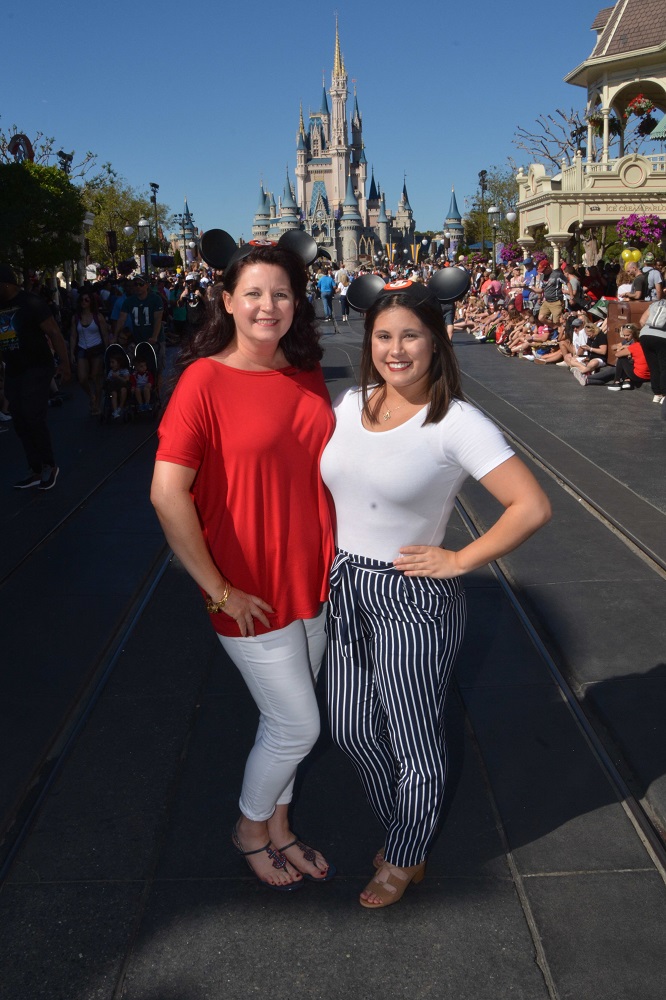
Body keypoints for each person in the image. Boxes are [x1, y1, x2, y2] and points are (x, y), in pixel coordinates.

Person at [320, 279, 551, 909]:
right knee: (350, 731)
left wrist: (459, 559)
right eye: (383, 336)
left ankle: (405, 853)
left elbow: (530, 505)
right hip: (346, 587)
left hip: (410, 596)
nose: (395, 350)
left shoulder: (455, 422)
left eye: (410, 337)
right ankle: (407, 830)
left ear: (436, 341)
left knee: (413, 740)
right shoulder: (351, 402)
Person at [150, 243, 336, 892]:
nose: (268, 306)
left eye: (281, 294)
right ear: (227, 301)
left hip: (310, 578)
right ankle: (250, 829)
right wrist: (218, 590)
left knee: (283, 720)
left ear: (296, 303)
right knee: (298, 724)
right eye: (253, 293)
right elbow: (167, 494)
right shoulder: (203, 381)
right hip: (247, 588)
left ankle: (280, 825)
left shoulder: (306, 372)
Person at [0, 263, 71, 490]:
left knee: (32, 414)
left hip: (37, 367)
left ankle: (49, 465)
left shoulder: (31, 302)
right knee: (19, 418)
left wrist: (65, 364)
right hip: (14, 369)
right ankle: (35, 469)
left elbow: (54, 332)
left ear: (6, 284)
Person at [70, 288, 109, 415]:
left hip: (97, 347)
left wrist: (107, 350)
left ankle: (97, 404)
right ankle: (91, 395)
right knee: (82, 378)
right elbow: (73, 336)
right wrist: (71, 352)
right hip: (82, 348)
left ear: (91, 301)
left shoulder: (98, 317)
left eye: (87, 300)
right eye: (82, 300)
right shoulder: (76, 318)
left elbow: (105, 334)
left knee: (95, 376)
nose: (84, 302)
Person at [607, 323, 650, 391]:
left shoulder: (635, 346)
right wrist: (621, 347)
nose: (625, 337)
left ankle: (617, 382)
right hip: (649, 376)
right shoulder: (647, 346)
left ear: (633, 335)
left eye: (627, 335)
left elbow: (617, 354)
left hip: (639, 375)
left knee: (622, 359)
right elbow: (613, 347)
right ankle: (627, 380)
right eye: (624, 335)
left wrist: (625, 348)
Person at [639, 299, 666, 404]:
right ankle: (665, 394)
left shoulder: (655, 304)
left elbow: (642, 321)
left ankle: (657, 394)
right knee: (664, 367)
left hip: (645, 335)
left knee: (653, 367)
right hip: (663, 338)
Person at [105, 353, 130, 418]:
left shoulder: (124, 371)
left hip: (122, 386)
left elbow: (127, 381)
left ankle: (120, 408)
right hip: (114, 388)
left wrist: (118, 377)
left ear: (119, 363)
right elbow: (108, 381)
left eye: (113, 362)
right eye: (110, 362)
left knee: (123, 390)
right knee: (113, 393)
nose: (111, 365)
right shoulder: (111, 372)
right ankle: (115, 410)